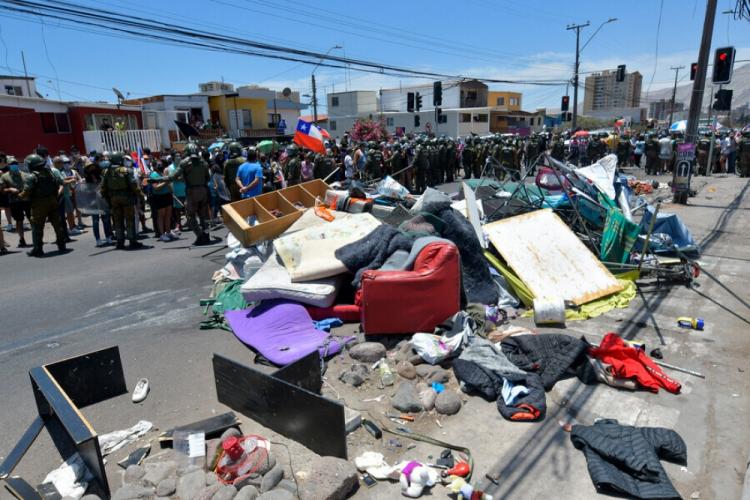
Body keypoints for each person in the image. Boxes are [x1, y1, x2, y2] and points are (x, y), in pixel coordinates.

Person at [18, 154, 66, 257]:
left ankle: (38, 249)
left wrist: (19, 195)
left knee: (37, 226)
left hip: (39, 204)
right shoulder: (50, 173)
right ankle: (62, 245)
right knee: (57, 223)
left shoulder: (32, 176)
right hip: (53, 200)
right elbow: (58, 184)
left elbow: (27, 192)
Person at [164, 143, 212, 246]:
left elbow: (173, 176)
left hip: (192, 192)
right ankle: (206, 236)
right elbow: (208, 178)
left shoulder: (185, 162)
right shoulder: (203, 162)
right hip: (203, 191)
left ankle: (200, 236)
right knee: (204, 216)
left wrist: (160, 179)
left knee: (190, 216)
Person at [101, 151, 145, 250]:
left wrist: (108, 200)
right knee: (129, 219)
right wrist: (141, 195)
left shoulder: (106, 172)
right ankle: (132, 241)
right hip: (126, 198)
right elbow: (134, 186)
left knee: (117, 220)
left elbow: (103, 188)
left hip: (113, 199)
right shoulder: (126, 170)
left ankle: (120, 242)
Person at [1, 156, 31, 247]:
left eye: (15, 164)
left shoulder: (25, 175)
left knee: (32, 219)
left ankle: (37, 238)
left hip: (27, 200)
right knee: (19, 221)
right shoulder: (5, 177)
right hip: (15, 201)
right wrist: (9, 189)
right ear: (8, 165)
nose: (14, 165)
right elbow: (2, 190)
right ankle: (22, 239)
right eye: (12, 164)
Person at [84, 153, 113, 247]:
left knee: (101, 219)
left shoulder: (95, 174)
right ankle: (102, 238)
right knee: (100, 220)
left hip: (97, 197)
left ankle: (104, 238)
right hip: (96, 197)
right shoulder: (96, 174)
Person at [149, 162, 177, 242]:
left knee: (168, 215)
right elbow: (156, 187)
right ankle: (162, 234)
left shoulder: (163, 173)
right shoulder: (153, 175)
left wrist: (170, 189)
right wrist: (165, 182)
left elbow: (169, 184)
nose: (160, 166)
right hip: (159, 197)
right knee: (161, 216)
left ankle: (168, 231)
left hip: (167, 195)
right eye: (158, 165)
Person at [166, 152, 186, 233]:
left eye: (179, 155)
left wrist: (179, 178)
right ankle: (179, 225)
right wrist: (179, 178)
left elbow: (185, 176)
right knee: (177, 210)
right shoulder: (170, 168)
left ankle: (190, 223)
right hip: (176, 191)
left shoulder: (183, 165)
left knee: (187, 208)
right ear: (173, 158)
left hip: (185, 190)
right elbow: (172, 178)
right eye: (177, 156)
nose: (178, 157)